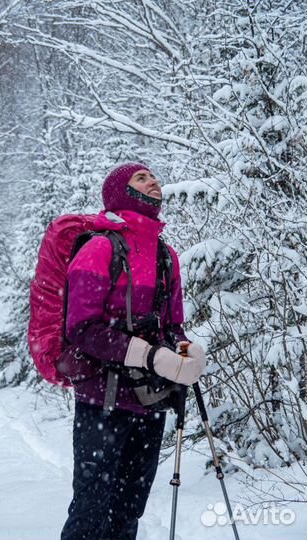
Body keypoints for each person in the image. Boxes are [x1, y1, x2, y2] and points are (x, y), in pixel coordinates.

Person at [60, 162, 206, 540]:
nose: (153, 181)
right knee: (91, 510)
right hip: (101, 400)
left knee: (129, 510)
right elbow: (81, 329)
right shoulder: (98, 249)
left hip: (150, 398)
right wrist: (150, 355)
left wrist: (186, 351)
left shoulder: (165, 255)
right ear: (121, 193)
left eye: (153, 176)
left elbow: (172, 325)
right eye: (141, 178)